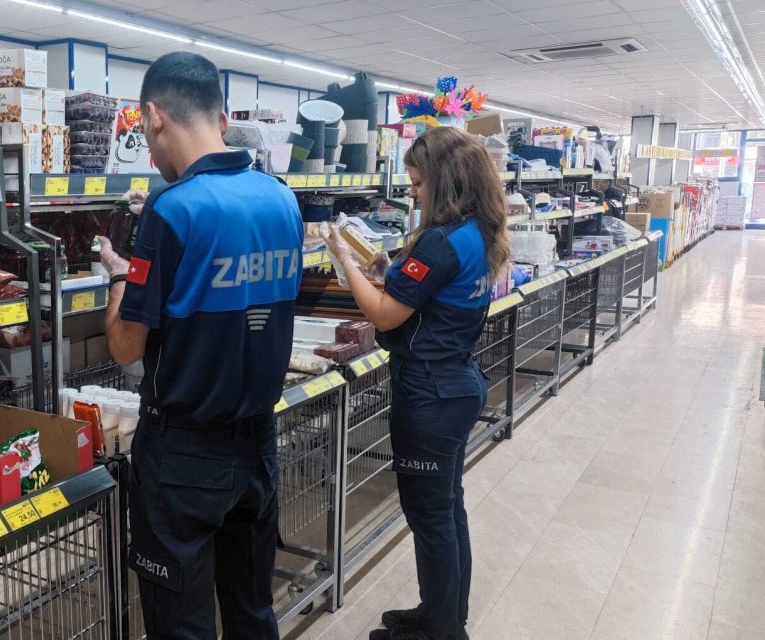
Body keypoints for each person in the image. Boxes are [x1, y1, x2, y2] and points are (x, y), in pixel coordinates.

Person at [97, 51, 303, 640]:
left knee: (181, 624)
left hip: (185, 455)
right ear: (219, 115)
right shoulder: (281, 198)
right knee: (252, 609)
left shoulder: (172, 208)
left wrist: (120, 273)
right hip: (259, 442)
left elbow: (126, 348)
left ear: (154, 116)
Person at [319, 126, 510, 640]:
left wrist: (343, 256)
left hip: (430, 391)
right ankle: (443, 613)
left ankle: (441, 631)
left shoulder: (441, 242)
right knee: (447, 506)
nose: (414, 193)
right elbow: (426, 291)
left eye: (419, 183)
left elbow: (383, 314)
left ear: (446, 182)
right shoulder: (478, 232)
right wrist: (390, 266)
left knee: (430, 517)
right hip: (457, 382)